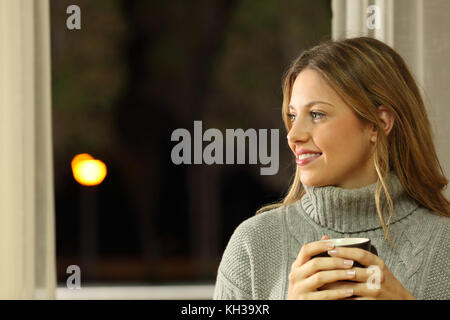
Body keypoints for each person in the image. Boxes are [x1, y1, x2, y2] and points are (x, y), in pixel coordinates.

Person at [213, 37, 450, 300]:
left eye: (316, 114)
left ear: (378, 124)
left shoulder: (445, 246)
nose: (293, 135)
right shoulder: (253, 245)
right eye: (292, 116)